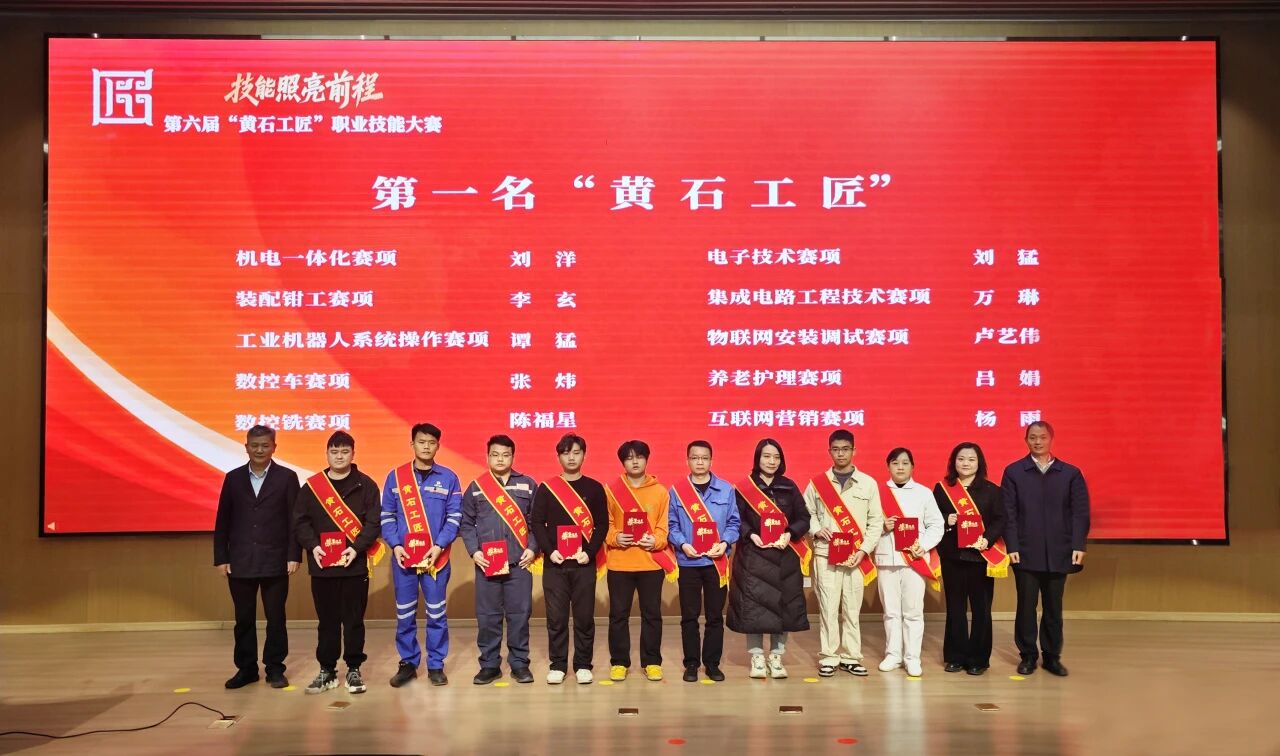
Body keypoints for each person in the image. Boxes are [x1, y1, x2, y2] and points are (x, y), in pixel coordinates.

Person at [293, 431, 383, 695]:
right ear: (327, 454)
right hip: (322, 566)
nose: (339, 456)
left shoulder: (366, 485)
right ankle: (327, 671)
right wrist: (314, 546)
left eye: (345, 451)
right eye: (334, 452)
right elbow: (300, 522)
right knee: (327, 621)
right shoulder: (312, 487)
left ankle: (354, 669)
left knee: (354, 621)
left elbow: (373, 523)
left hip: (354, 566)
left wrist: (356, 549)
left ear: (353, 454)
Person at [213, 425, 301, 689]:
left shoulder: (287, 477)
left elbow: (294, 520)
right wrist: (221, 557)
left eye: (265, 445)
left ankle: (275, 668)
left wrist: (294, 554)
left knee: (276, 618)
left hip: (276, 559)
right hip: (240, 560)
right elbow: (222, 521)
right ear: (246, 447)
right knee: (243, 619)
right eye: (254, 445)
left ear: (274, 447)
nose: (259, 450)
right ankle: (246, 668)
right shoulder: (233, 478)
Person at [1002, 421, 1090, 677]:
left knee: (1053, 606)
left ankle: (1052, 656)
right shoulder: (1014, 472)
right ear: (1026, 440)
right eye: (1032, 437)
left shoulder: (1070, 473)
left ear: (1051, 439)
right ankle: (1028, 655)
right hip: (1025, 551)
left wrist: (1078, 544)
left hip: (1059, 550)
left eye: (1042, 437)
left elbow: (1080, 512)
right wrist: (1012, 545)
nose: (1037, 442)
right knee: (1026, 606)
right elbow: (1009, 513)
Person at [381, 422, 463, 688]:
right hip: (404, 559)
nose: (426, 446)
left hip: (436, 560)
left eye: (431, 442)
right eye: (421, 441)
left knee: (436, 614)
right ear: (412, 444)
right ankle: (408, 663)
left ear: (438, 446)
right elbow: (387, 516)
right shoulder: (395, 477)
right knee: (405, 614)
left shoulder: (449, 478)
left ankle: (436, 664)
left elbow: (454, 517)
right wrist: (396, 545)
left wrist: (439, 546)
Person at [727, 438, 811, 680]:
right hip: (753, 557)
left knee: (783, 608)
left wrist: (789, 534)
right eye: (766, 456)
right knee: (754, 609)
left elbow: (803, 518)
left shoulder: (789, 486)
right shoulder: (744, 487)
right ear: (758, 458)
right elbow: (736, 519)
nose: (771, 461)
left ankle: (776, 657)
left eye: (776, 457)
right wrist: (751, 535)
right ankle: (756, 657)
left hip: (784, 556)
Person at [459, 434, 539, 685]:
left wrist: (533, 548)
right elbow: (466, 523)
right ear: (487, 457)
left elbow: (536, 522)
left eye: (505, 455)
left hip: (519, 564)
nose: (500, 459)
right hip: (487, 564)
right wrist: (474, 551)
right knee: (488, 617)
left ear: (513, 456)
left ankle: (519, 663)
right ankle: (490, 665)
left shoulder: (528, 484)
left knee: (519, 616)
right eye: (495, 454)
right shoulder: (476, 487)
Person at [802, 429, 883, 678]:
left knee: (851, 608)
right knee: (828, 607)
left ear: (854, 451)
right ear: (829, 451)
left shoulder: (868, 483)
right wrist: (816, 529)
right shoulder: (817, 483)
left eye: (845, 449)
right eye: (836, 449)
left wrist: (864, 550)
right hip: (825, 554)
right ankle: (829, 656)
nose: (841, 454)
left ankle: (851, 656)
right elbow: (806, 513)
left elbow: (876, 521)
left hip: (855, 557)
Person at [529, 433, 609, 685]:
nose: (571, 457)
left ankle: (583, 664)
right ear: (558, 457)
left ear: (584, 455)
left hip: (584, 563)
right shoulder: (547, 488)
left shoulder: (595, 488)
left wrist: (590, 552)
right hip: (555, 564)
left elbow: (602, 525)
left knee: (584, 617)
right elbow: (537, 523)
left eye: (576, 452)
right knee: (556, 618)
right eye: (566, 453)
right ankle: (558, 665)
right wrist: (549, 550)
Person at [932, 442, 1007, 675]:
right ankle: (955, 657)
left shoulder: (992, 490)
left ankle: (978, 659)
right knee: (955, 608)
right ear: (954, 462)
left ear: (979, 463)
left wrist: (988, 539)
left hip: (980, 557)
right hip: (952, 556)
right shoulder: (942, 489)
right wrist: (947, 518)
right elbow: (931, 517)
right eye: (961, 459)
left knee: (981, 609)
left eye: (971, 459)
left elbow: (1000, 519)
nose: (966, 463)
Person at [603, 440, 675, 682]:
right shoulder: (611, 490)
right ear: (622, 462)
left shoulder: (660, 492)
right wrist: (615, 537)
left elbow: (663, 527)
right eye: (629, 457)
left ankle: (652, 662)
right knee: (618, 615)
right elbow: (605, 524)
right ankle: (619, 662)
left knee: (652, 614)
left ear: (647, 459)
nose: (634, 461)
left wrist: (655, 541)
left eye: (639, 456)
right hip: (620, 563)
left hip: (650, 563)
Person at [668, 440, 740, 683]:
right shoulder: (677, 491)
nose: (699, 462)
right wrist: (682, 544)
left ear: (711, 460)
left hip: (715, 563)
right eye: (694, 457)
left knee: (714, 617)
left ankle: (712, 664)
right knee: (689, 617)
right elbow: (671, 525)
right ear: (687, 460)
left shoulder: (726, 489)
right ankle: (691, 664)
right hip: (688, 562)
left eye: (704, 458)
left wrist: (725, 543)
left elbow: (734, 523)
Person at [875, 447, 944, 678]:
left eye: (905, 463)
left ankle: (912, 658)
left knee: (913, 611)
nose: (900, 467)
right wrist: (883, 526)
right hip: (887, 559)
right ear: (888, 466)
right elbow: (866, 525)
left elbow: (936, 525)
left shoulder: (924, 493)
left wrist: (923, 545)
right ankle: (893, 655)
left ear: (913, 466)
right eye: (895, 463)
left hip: (915, 560)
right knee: (891, 612)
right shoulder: (878, 493)